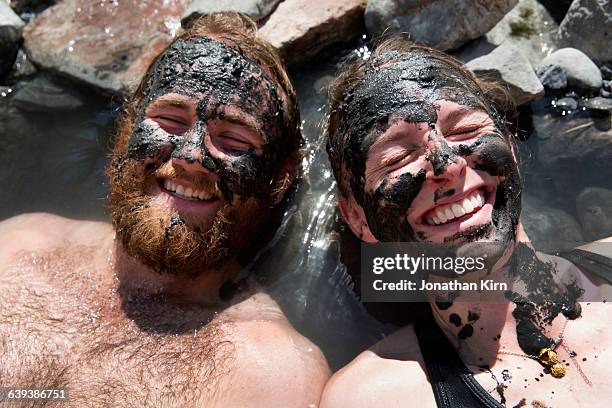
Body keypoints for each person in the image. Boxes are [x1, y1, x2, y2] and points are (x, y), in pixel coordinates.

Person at [0, 12, 329, 407]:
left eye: (235, 140)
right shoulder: (16, 249)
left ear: (280, 178)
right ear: (127, 126)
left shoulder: (268, 371)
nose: (191, 157)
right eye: (170, 119)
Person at [320, 36, 612, 407]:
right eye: (396, 158)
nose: (449, 164)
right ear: (357, 218)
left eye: (466, 131)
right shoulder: (376, 396)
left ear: (509, 147)